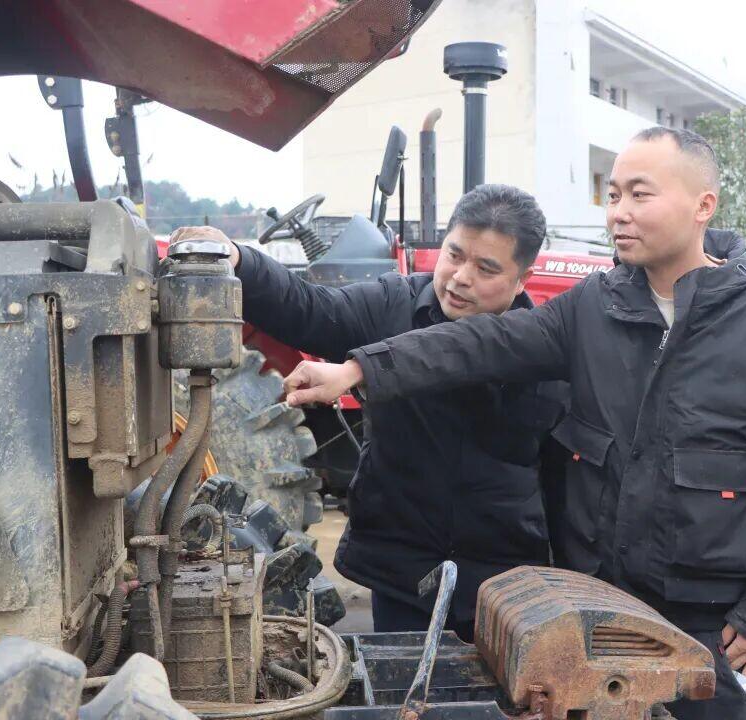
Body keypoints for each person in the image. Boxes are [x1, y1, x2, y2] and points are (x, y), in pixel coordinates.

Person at [281, 127, 746, 720]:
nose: (620, 212)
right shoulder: (592, 307)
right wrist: (359, 369)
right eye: (614, 195)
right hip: (595, 616)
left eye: (640, 195)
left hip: (709, 623)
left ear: (704, 205)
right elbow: (482, 343)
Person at [169, 184, 567, 641]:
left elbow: (565, 483)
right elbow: (310, 309)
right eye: (454, 255)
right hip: (403, 573)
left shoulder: (545, 350)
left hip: (505, 588)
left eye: (486, 268)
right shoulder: (393, 304)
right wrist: (241, 259)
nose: (460, 277)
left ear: (523, 278)